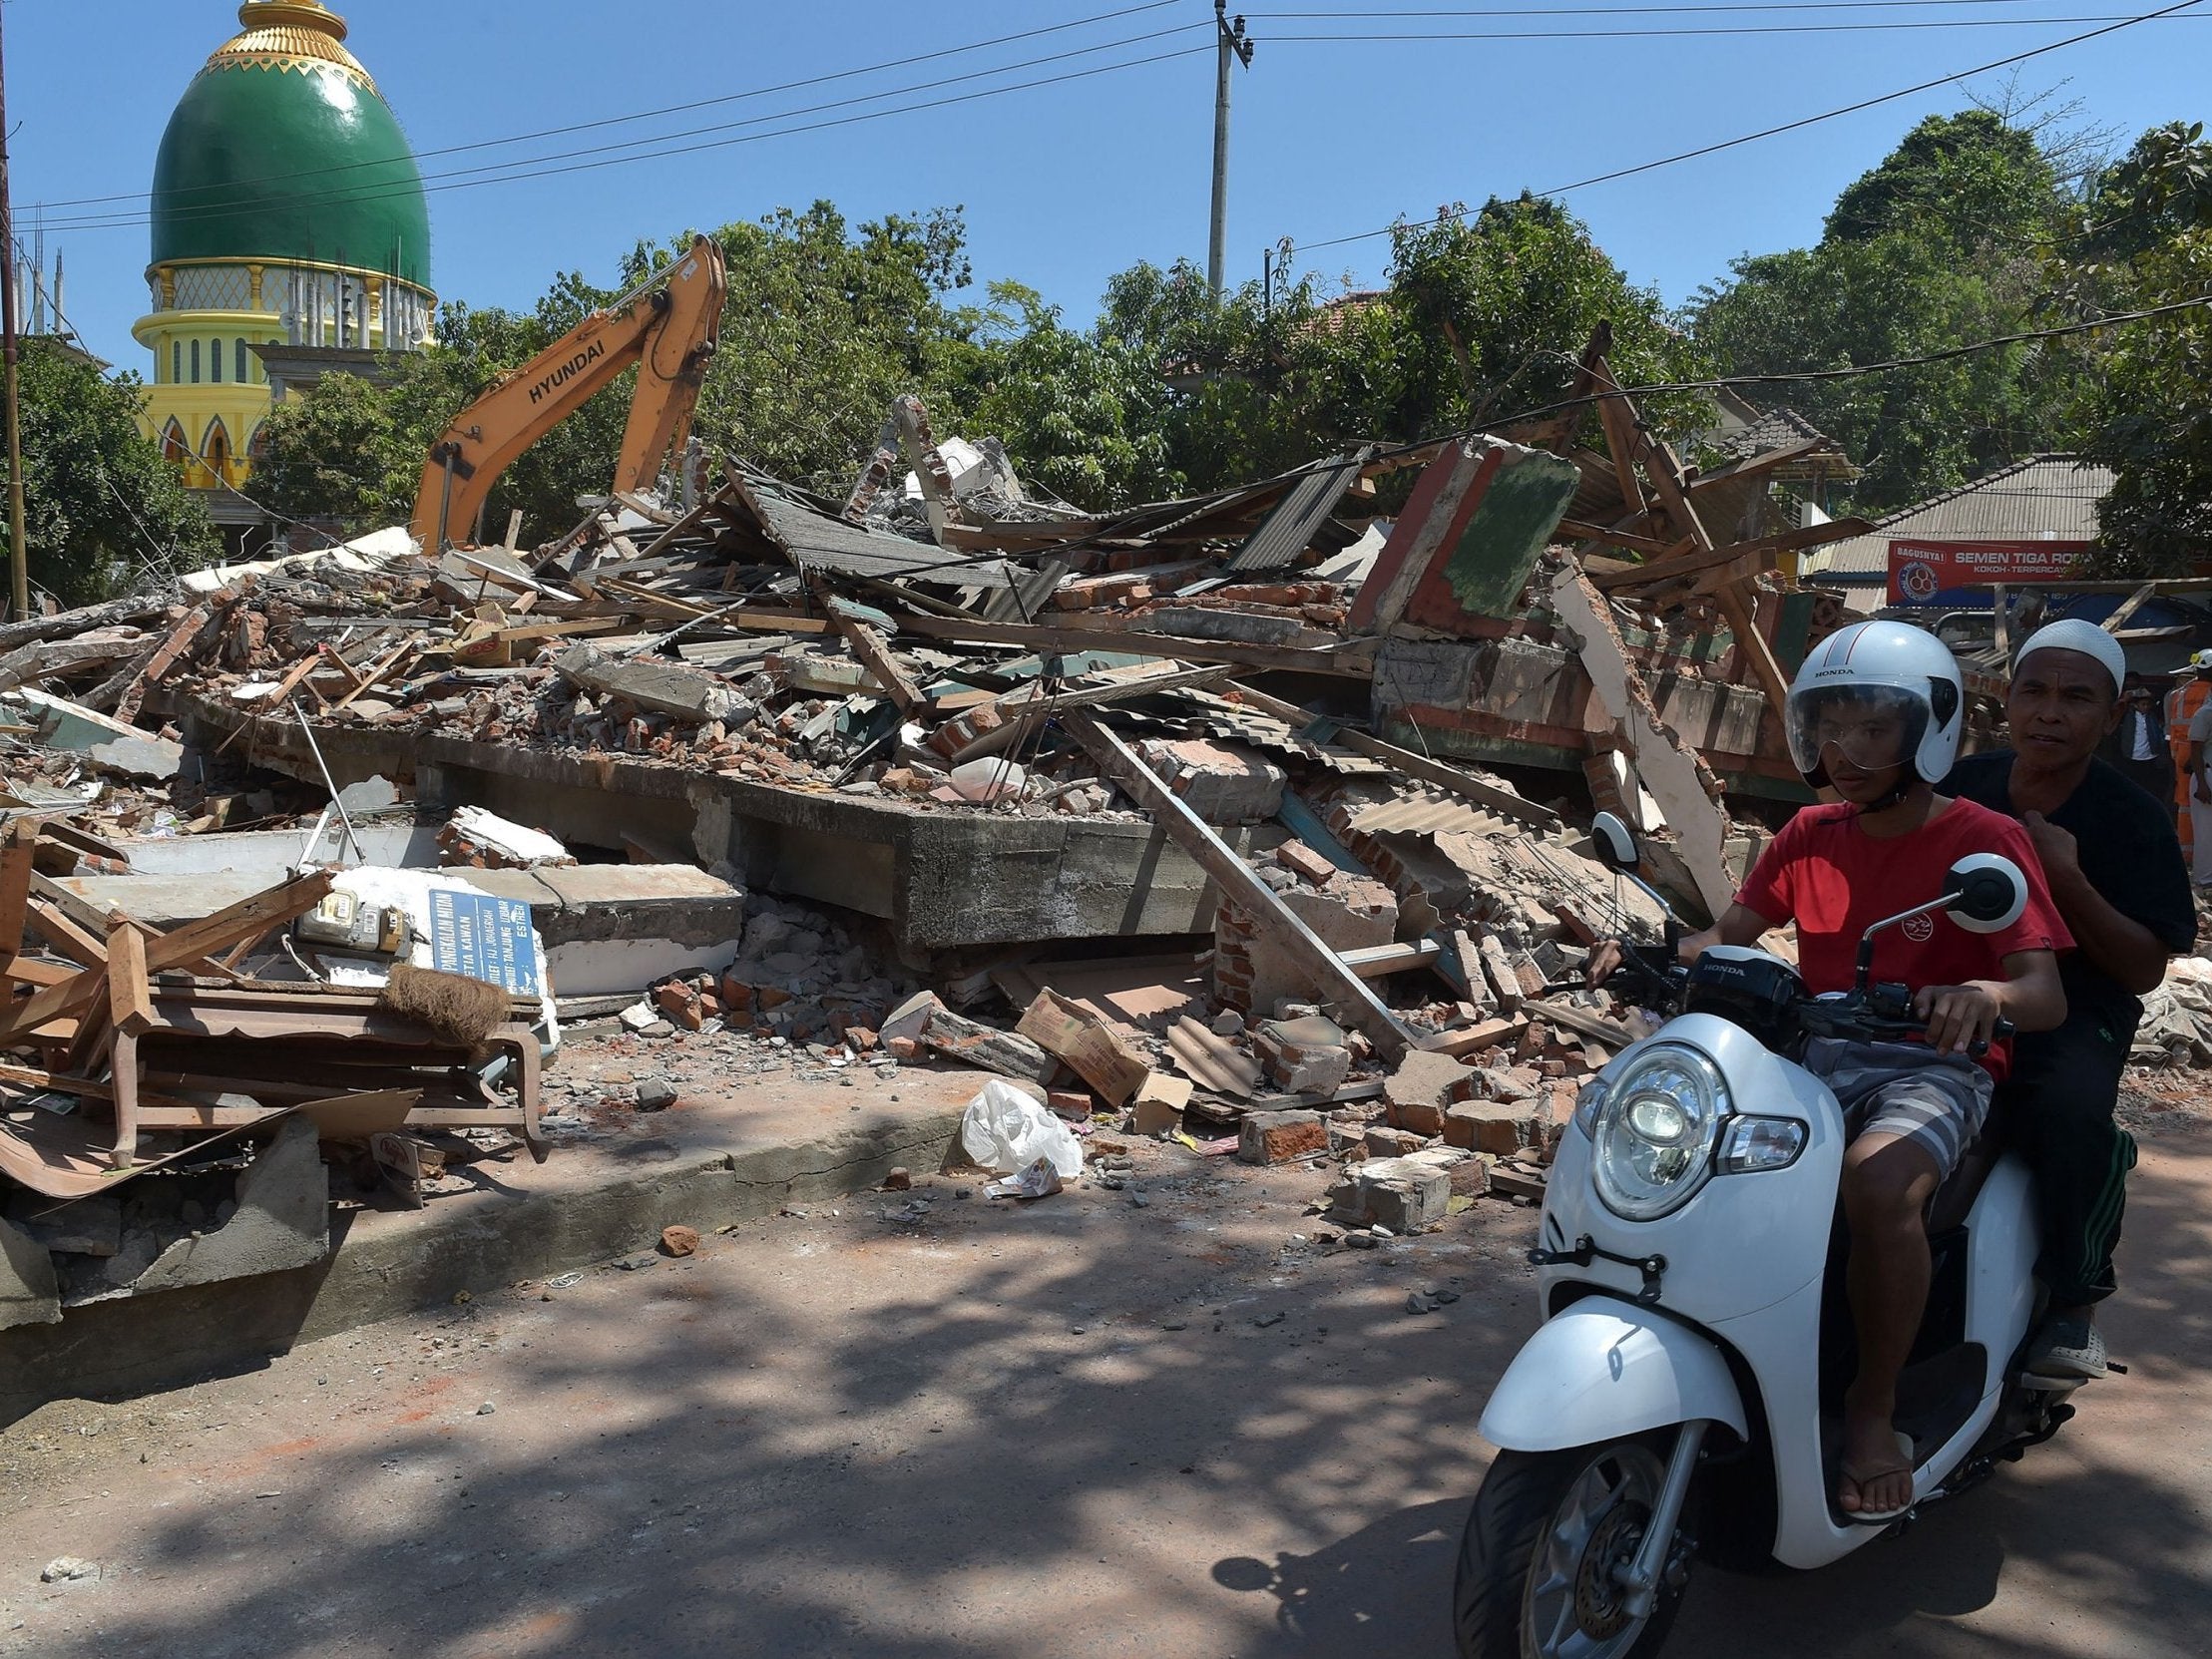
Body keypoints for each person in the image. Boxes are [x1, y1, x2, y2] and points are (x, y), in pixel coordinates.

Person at [1593, 622, 2069, 1523]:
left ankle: (1869, 1408)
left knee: (1878, 1180)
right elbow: (1722, 940)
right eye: (1825, 727)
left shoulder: (1984, 841)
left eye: (1870, 729)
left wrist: (1981, 992)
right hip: (1809, 1051)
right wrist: (1638, 948)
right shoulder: (1807, 833)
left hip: (1928, 1064)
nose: (1841, 753)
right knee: (1684, 1150)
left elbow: (2041, 993)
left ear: (1929, 728)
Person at [1945, 620, 2196, 1383]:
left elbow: (2143, 970)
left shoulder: (2133, 817)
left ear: (2112, 715)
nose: (2049, 712)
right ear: (2008, 697)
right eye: (2035, 691)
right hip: (1952, 994)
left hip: (2080, 1007)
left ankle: (2073, 1298)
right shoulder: (1961, 788)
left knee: (2063, 1113)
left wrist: (2068, 878)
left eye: (2075, 697)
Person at [2101, 672, 2173, 807]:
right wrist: (2125, 700)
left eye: (2147, 704)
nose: (2145, 706)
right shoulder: (2124, 714)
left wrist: (2148, 696)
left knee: (2149, 786)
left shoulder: (2153, 715)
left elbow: (2160, 711)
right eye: (2142, 703)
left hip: (2150, 756)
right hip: (2128, 756)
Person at [2186, 649, 2212, 888]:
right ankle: (2204, 880)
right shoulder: (2205, 713)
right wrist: (2202, 784)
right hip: (2207, 774)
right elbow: (2195, 749)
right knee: (2205, 832)